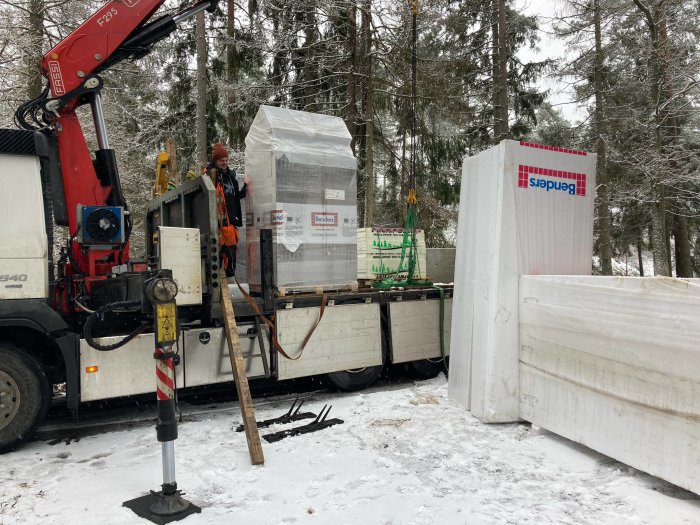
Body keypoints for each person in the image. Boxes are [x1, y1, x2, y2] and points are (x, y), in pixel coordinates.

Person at [206, 143, 248, 278]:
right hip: (216, 226)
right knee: (214, 264)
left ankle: (228, 289)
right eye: (221, 161)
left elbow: (237, 196)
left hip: (230, 226)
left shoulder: (231, 176)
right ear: (215, 161)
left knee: (230, 266)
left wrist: (246, 187)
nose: (224, 163)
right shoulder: (209, 176)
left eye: (226, 160)